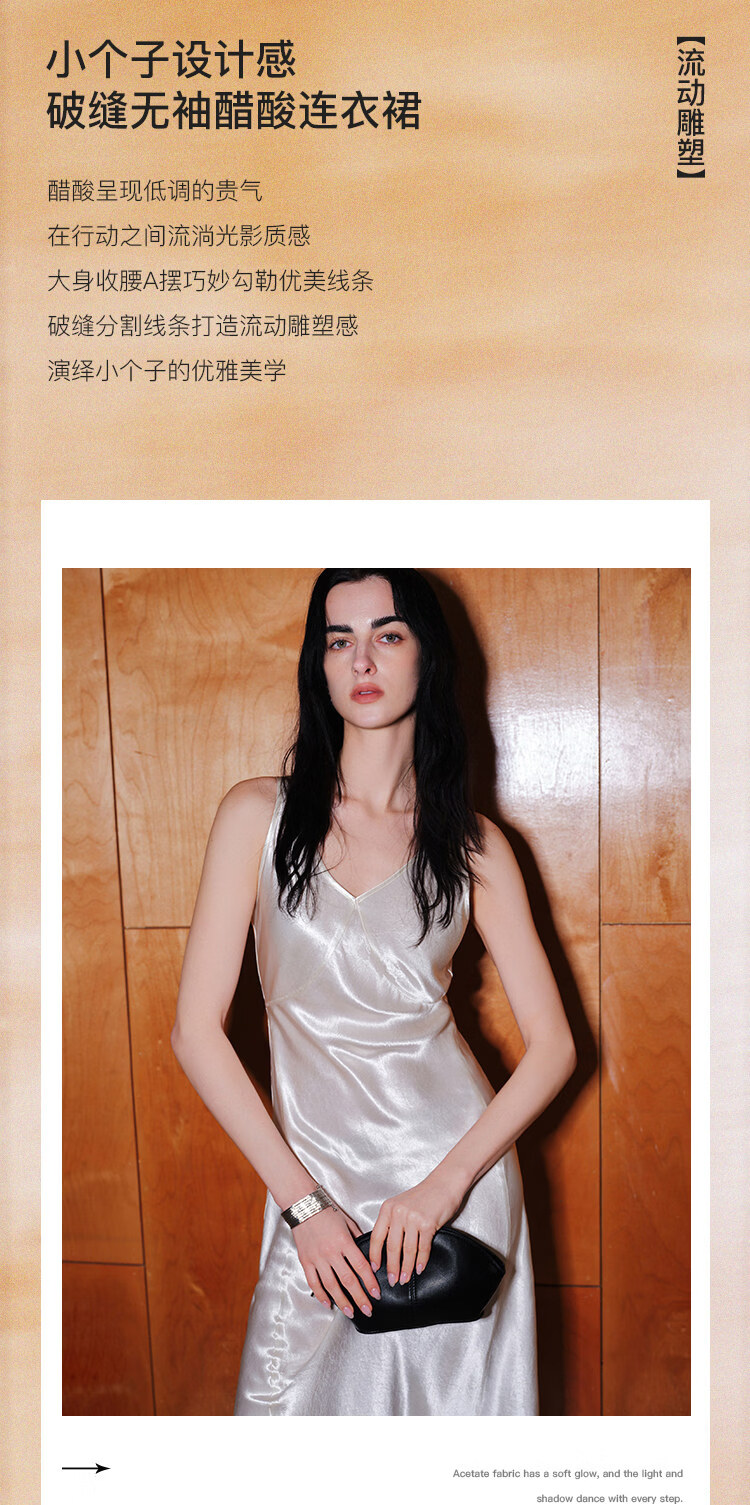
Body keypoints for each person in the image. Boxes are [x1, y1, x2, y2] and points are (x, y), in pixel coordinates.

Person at [171, 569, 576, 1415]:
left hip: (449, 1188)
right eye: (338, 639)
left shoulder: (473, 846)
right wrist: (304, 1207)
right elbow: (195, 1034)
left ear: (427, 657)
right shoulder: (256, 817)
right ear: (318, 664)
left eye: (388, 635)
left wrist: (445, 1186)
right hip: (312, 1186)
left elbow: (555, 1048)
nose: (361, 658)